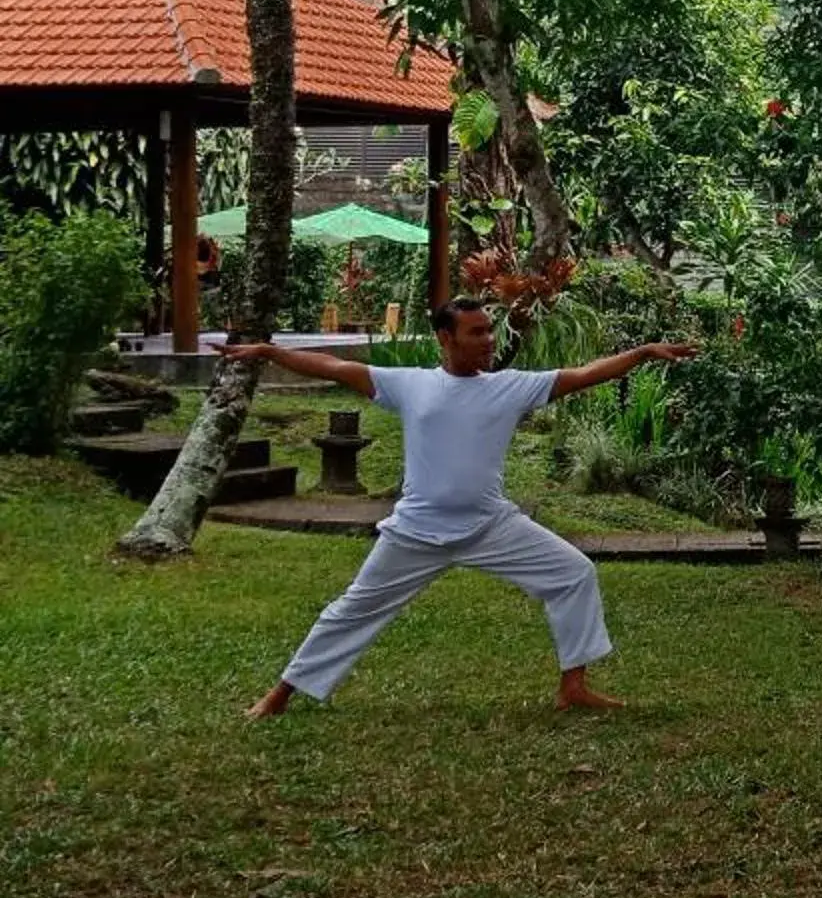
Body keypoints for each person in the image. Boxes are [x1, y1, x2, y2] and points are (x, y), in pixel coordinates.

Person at [231, 301, 695, 721]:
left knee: (573, 574)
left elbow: (583, 374)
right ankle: (280, 695)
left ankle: (573, 688)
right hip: (415, 531)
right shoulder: (410, 385)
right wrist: (273, 354)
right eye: (476, 332)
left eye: (490, 331)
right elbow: (334, 367)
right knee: (351, 610)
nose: (489, 340)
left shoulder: (510, 388)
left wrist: (642, 353)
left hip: (490, 525)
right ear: (446, 338)